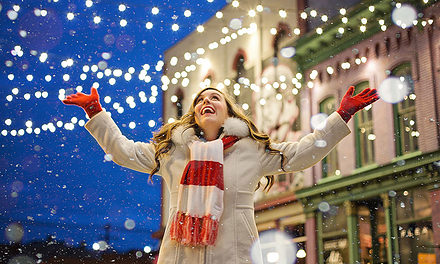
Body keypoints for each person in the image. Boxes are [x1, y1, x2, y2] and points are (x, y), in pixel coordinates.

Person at [62, 85, 379, 263]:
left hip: (234, 254)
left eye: (215, 97)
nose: (205, 101)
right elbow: (123, 151)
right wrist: (95, 112)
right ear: (195, 114)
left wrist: (343, 115)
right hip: (181, 255)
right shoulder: (173, 150)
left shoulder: (252, 149)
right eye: (200, 100)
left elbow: (301, 153)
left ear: (228, 111)